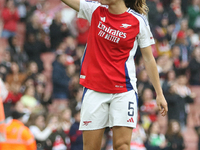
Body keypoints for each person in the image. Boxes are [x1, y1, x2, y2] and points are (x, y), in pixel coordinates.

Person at [61, 0, 168, 150]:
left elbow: (149, 59)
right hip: (94, 89)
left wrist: (159, 93)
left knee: (122, 146)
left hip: (124, 91)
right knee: (90, 147)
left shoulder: (138, 21)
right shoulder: (95, 10)